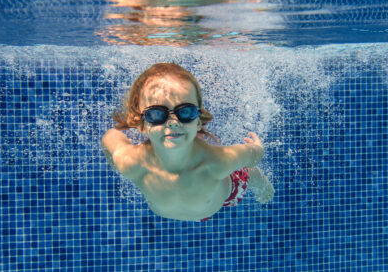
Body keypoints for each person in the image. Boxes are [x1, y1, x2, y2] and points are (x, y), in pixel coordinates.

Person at [102, 62, 274, 221]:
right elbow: (109, 138)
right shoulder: (130, 162)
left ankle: (257, 179)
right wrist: (113, 163)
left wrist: (257, 147)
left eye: (185, 112)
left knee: (248, 173)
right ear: (141, 124)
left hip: (227, 196)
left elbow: (253, 155)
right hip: (192, 206)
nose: (173, 122)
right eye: (156, 114)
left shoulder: (217, 162)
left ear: (198, 121)